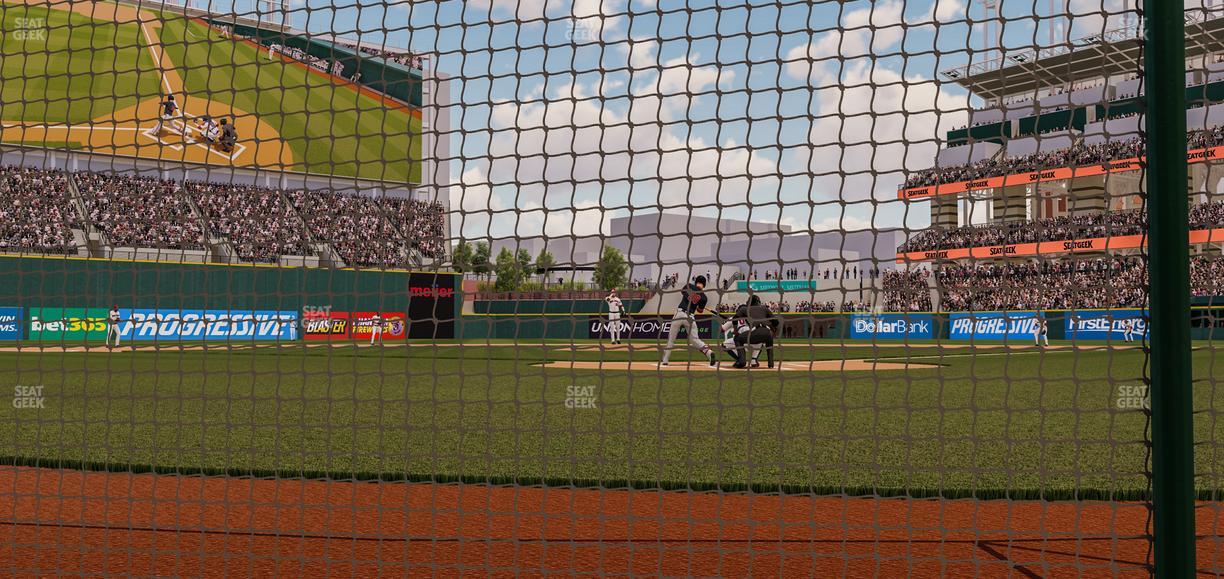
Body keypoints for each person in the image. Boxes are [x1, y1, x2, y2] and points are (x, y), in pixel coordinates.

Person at [660, 275, 715, 367]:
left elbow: (683, 292)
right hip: (690, 317)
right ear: (704, 284)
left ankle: (665, 360)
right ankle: (709, 352)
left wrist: (693, 298)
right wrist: (697, 303)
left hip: (680, 313)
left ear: (696, 281)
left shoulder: (689, 286)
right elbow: (700, 311)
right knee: (695, 340)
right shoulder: (704, 297)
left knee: (671, 338)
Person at [734, 295, 779, 369]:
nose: (747, 301)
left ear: (751, 301)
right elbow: (776, 322)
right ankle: (771, 364)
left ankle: (742, 361)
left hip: (755, 331)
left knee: (737, 339)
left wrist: (735, 331)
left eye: (748, 300)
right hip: (768, 332)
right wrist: (774, 331)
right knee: (769, 344)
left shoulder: (744, 309)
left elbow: (734, 319)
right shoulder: (765, 308)